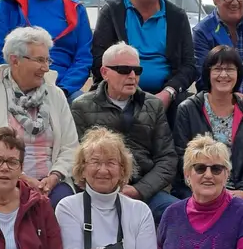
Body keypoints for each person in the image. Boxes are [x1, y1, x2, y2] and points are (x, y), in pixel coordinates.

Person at [53, 128, 161, 249]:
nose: (103, 170)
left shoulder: (140, 211)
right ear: (82, 168)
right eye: (95, 162)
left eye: (111, 163)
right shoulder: (68, 207)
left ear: (122, 170)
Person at [74, 42, 180, 221]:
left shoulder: (153, 105)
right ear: (104, 73)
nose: (132, 76)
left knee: (177, 213)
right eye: (124, 70)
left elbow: (167, 158)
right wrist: (105, 189)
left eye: (137, 70)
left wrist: (140, 190)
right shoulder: (81, 106)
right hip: (97, 191)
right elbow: (76, 159)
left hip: (145, 190)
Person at [171, 45, 243, 232]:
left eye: (230, 69)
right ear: (207, 73)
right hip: (197, 186)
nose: (223, 75)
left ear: (238, 74)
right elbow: (181, 155)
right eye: (217, 69)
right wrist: (205, 187)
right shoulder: (188, 109)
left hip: (237, 189)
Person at [0, 26, 77, 204]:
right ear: (15, 60)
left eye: (47, 60)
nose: (45, 68)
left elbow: (71, 146)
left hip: (52, 182)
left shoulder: (56, 94)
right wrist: (23, 179)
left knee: (65, 206)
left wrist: (53, 177)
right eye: (39, 60)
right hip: (5, 179)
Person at [90, 0, 198, 106]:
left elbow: (189, 65)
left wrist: (169, 92)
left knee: (191, 108)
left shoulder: (177, 16)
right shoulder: (112, 12)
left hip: (166, 96)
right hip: (118, 92)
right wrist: (127, 90)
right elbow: (98, 60)